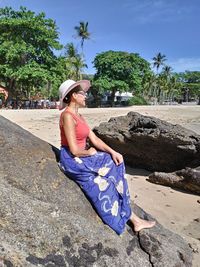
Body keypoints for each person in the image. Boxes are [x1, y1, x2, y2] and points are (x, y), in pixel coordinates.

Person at [59, 79, 156, 235]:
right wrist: (88, 152)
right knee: (104, 183)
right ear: (73, 96)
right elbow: (74, 150)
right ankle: (131, 220)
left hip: (83, 156)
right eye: (83, 93)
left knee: (116, 162)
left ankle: (134, 218)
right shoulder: (68, 116)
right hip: (73, 159)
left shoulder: (79, 116)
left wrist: (113, 152)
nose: (86, 96)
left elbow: (95, 139)